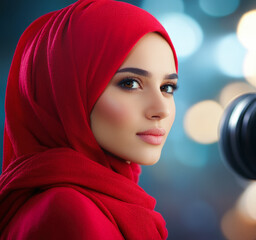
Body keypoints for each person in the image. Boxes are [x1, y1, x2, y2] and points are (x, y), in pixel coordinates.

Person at [0, 0, 178, 239]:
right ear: (65, 92)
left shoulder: (110, 200)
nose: (161, 109)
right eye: (130, 83)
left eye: (167, 87)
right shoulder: (67, 210)